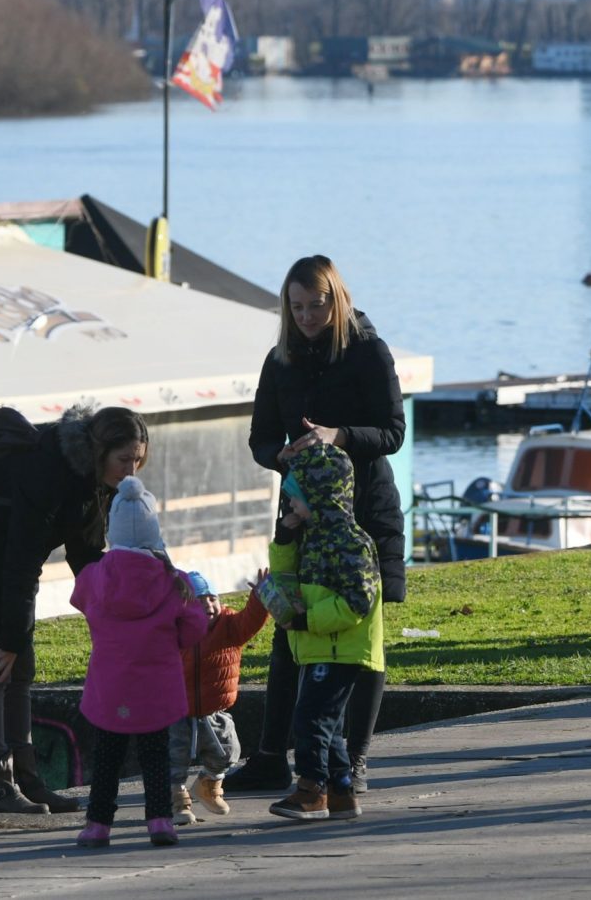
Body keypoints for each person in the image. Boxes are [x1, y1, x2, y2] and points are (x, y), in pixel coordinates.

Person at [0, 403, 151, 814]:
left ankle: (29, 782)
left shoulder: (92, 479)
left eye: (138, 461)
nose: (132, 472)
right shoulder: (49, 471)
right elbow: (22, 561)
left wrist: (119, 608)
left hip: (5, 570)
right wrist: (13, 638)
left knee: (22, 671)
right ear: (100, 449)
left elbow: (86, 555)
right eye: (124, 460)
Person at [234, 257, 407, 796]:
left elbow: (393, 433)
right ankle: (270, 757)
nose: (307, 315)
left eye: (317, 304)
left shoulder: (368, 352)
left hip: (364, 513)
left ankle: (350, 762)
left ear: (338, 301)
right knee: (291, 627)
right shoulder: (279, 360)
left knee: (363, 637)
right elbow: (260, 437)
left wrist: (339, 435)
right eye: (297, 306)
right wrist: (281, 456)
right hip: (302, 513)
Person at [71, 477, 212, 849]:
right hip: (157, 686)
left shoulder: (94, 576)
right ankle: (159, 821)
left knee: (106, 759)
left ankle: (98, 825)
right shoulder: (174, 581)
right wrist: (170, 643)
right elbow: (196, 627)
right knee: (155, 757)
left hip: (109, 685)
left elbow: (80, 600)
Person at [264, 443, 386, 821]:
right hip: (319, 646)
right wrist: (285, 538)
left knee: (311, 718)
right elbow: (286, 576)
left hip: (338, 647)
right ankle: (341, 792)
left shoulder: (350, 542)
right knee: (328, 726)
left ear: (320, 495)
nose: (292, 507)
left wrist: (306, 620)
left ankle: (311, 788)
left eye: (297, 500)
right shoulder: (313, 536)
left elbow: (356, 602)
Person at [172, 581, 268, 821]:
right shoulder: (173, 630)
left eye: (212, 598)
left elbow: (251, 620)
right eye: (199, 601)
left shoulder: (229, 627)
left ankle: (208, 785)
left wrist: (258, 598)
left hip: (215, 710)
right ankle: (175, 801)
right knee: (173, 760)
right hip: (176, 714)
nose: (208, 606)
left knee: (227, 751)